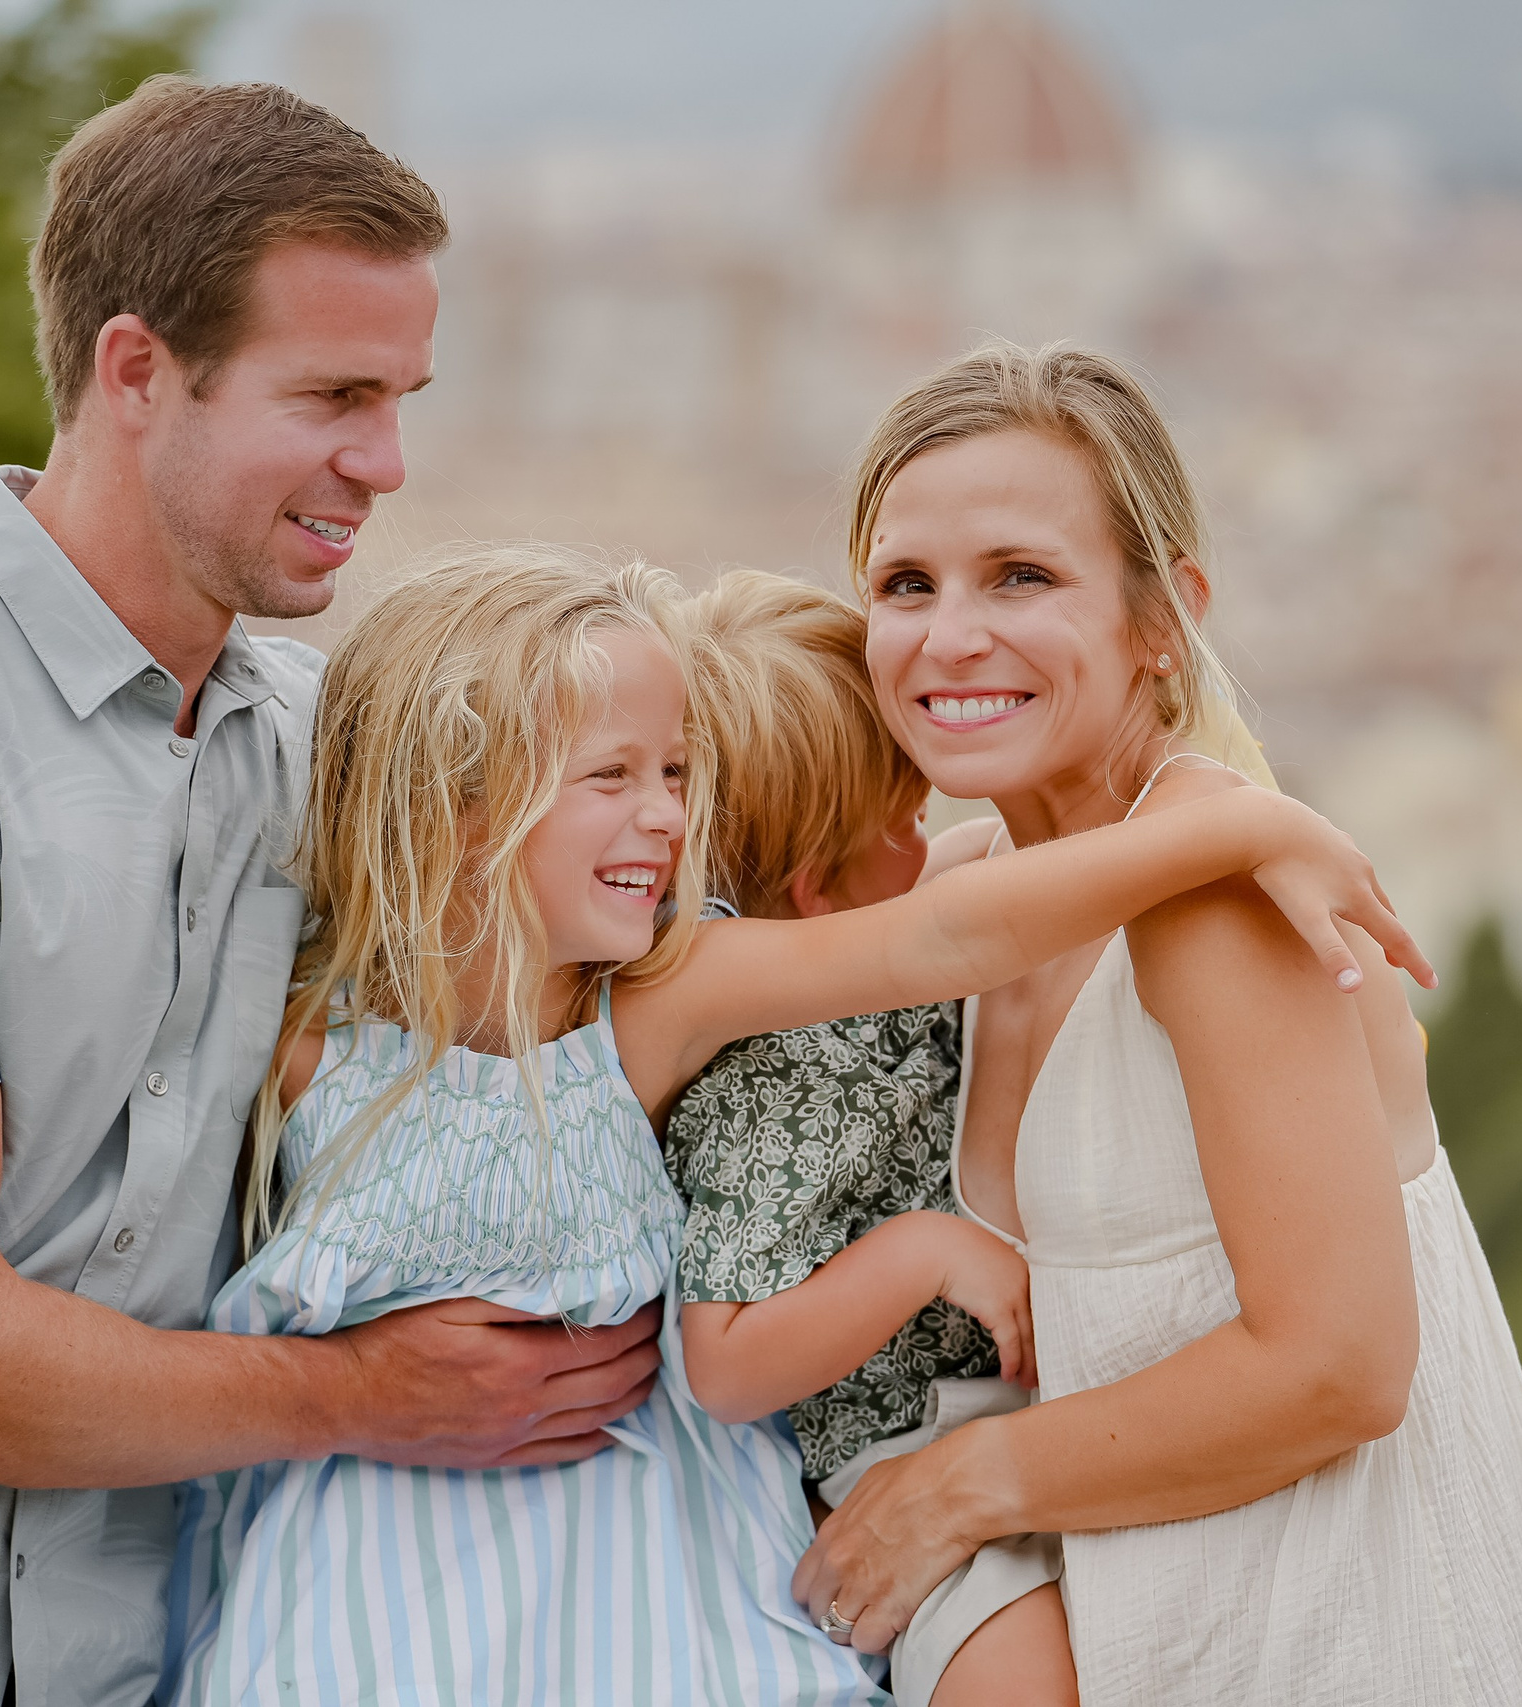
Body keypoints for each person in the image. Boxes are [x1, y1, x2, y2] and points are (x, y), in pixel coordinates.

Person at [0, 80, 663, 1707]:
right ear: (138, 370)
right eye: (334, 396)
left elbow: (617, 939)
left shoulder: (323, 747)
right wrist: (371, 1392)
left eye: (404, 397)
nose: (385, 462)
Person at [156, 544, 1423, 1705]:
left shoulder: (654, 999)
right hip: (368, 1587)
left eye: (676, 774)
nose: (665, 818)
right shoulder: (300, 1046)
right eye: (611, 777)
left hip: (647, 1575)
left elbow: (946, 929)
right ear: (460, 806)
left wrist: (1236, 824)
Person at [792, 342, 1522, 1706]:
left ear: (1162, 618)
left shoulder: (1210, 902)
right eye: (904, 584)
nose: (950, 634)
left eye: (1023, 576)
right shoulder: (968, 899)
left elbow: (1340, 1363)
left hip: (1359, 1647)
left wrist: (960, 1486)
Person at [666, 571, 1074, 1707]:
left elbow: (983, 880)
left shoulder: (865, 941)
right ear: (813, 893)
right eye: (900, 823)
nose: (926, 840)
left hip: (999, 1416)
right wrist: (928, 1254)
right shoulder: (778, 1076)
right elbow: (726, 1362)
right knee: (1022, 1667)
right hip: (894, 1450)